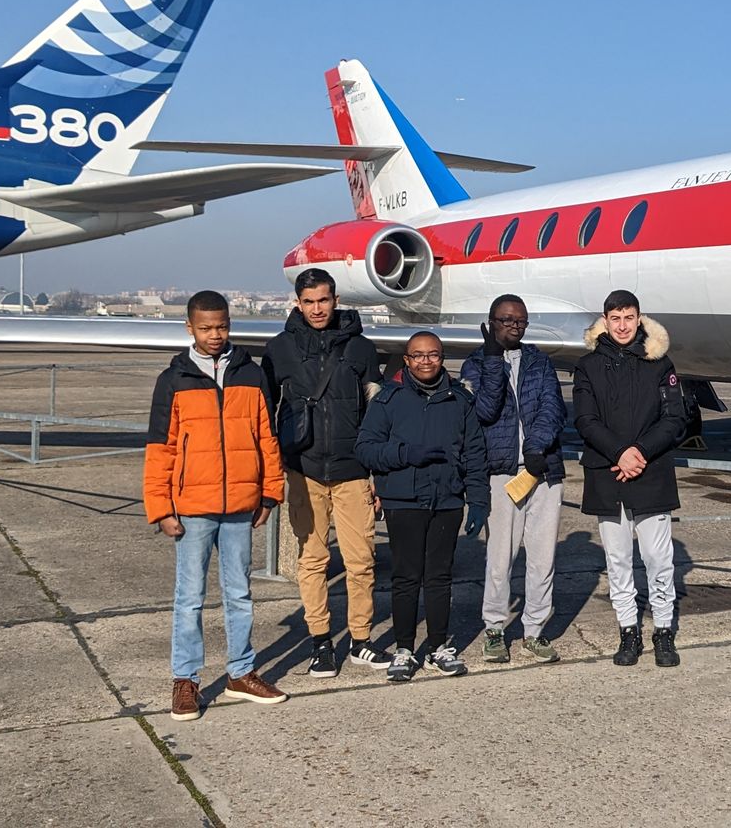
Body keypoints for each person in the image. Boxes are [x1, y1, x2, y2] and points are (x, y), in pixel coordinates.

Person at [144, 290, 288, 721]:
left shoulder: (251, 374)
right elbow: (160, 447)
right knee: (189, 597)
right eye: (205, 328)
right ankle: (185, 680)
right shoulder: (173, 379)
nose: (214, 335)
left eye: (221, 326)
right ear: (189, 327)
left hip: (241, 505)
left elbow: (266, 437)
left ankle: (240, 673)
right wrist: (161, 507)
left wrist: (270, 492)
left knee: (239, 592)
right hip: (192, 507)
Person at [260, 269, 387, 678]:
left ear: (336, 300)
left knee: (361, 561)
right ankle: (321, 642)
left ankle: (361, 640)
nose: (317, 309)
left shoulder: (361, 348)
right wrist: (271, 469)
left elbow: (377, 413)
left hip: (353, 470)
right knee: (313, 560)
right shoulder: (279, 349)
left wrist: (378, 475)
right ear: (298, 303)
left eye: (324, 300)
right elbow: (264, 412)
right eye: (309, 301)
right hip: (304, 470)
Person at [355, 331, 488, 682]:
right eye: (418, 355)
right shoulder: (388, 399)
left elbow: (475, 452)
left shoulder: (459, 399)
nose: (426, 361)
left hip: (446, 499)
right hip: (404, 500)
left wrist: (478, 500)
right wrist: (405, 454)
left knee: (440, 576)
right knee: (406, 576)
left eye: (433, 355)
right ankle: (404, 648)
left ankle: (437, 646)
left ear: (442, 358)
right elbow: (365, 449)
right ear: (407, 360)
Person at [573, 289, 688, 668]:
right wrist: (620, 453)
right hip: (608, 473)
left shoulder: (660, 363)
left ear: (639, 319)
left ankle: (663, 630)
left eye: (628, 318)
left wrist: (639, 452)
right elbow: (585, 419)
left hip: (650, 471)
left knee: (658, 558)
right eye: (615, 318)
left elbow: (675, 419)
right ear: (605, 321)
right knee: (618, 559)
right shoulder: (588, 366)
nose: (622, 326)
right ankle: (628, 630)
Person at [460, 294, 567, 664]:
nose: (514, 326)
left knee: (542, 558)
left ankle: (534, 630)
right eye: (506, 320)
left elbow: (553, 407)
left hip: (543, 471)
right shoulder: (475, 364)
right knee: (500, 557)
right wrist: (493, 361)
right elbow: (485, 411)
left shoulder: (540, 361)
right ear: (491, 322)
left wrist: (537, 449)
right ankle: (494, 628)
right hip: (501, 470)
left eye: (520, 321)